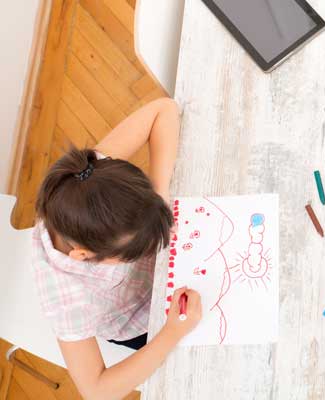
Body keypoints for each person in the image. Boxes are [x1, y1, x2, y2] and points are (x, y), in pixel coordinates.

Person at [32, 98, 203, 400]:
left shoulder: (88, 182)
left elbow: (163, 110)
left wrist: (158, 198)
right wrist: (171, 334)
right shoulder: (66, 300)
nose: (153, 246)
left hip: (173, 274)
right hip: (141, 320)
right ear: (84, 256)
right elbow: (96, 391)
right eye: (135, 250)